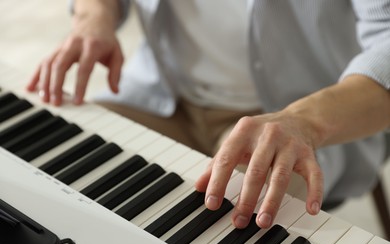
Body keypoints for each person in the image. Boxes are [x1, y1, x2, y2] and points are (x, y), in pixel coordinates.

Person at [26, 0, 390, 230]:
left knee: (228, 223)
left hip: (300, 115)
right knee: (42, 165)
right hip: (161, 94)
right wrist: (95, 16)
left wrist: (305, 121)